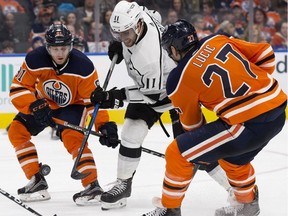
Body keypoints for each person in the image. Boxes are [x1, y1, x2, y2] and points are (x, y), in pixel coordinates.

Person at [90, 1, 233, 211]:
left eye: (126, 34)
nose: (124, 38)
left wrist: (114, 97)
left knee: (197, 149)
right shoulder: (140, 18)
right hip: (153, 87)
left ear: (138, 26)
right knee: (130, 133)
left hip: (175, 93)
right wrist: (120, 45)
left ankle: (235, 189)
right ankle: (123, 184)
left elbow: (152, 95)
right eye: (118, 34)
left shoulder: (148, 57)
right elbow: (155, 14)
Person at [142, 19, 287, 216]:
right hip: (278, 108)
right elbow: (265, 54)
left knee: (178, 152)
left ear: (174, 50)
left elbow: (192, 124)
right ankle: (247, 205)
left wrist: (200, 154)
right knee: (232, 158)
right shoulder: (217, 39)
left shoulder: (178, 78)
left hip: (247, 123)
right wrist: (255, 86)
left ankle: (169, 209)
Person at [7, 23, 119, 205]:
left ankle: (92, 185)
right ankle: (37, 180)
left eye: (64, 48)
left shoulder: (83, 66)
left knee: (74, 138)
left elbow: (92, 100)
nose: (60, 53)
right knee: (16, 131)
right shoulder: (35, 59)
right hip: (42, 104)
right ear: (47, 47)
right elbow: (18, 88)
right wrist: (33, 105)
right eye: (55, 49)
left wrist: (103, 125)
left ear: (71, 46)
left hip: (72, 106)